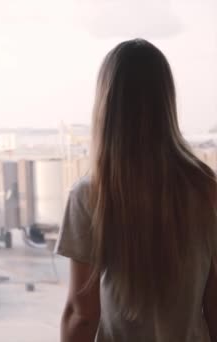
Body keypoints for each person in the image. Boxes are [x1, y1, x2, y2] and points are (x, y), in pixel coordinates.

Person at [55, 38, 217, 341]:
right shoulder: (207, 189)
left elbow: (82, 315)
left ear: (105, 103)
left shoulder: (90, 194)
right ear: (166, 101)